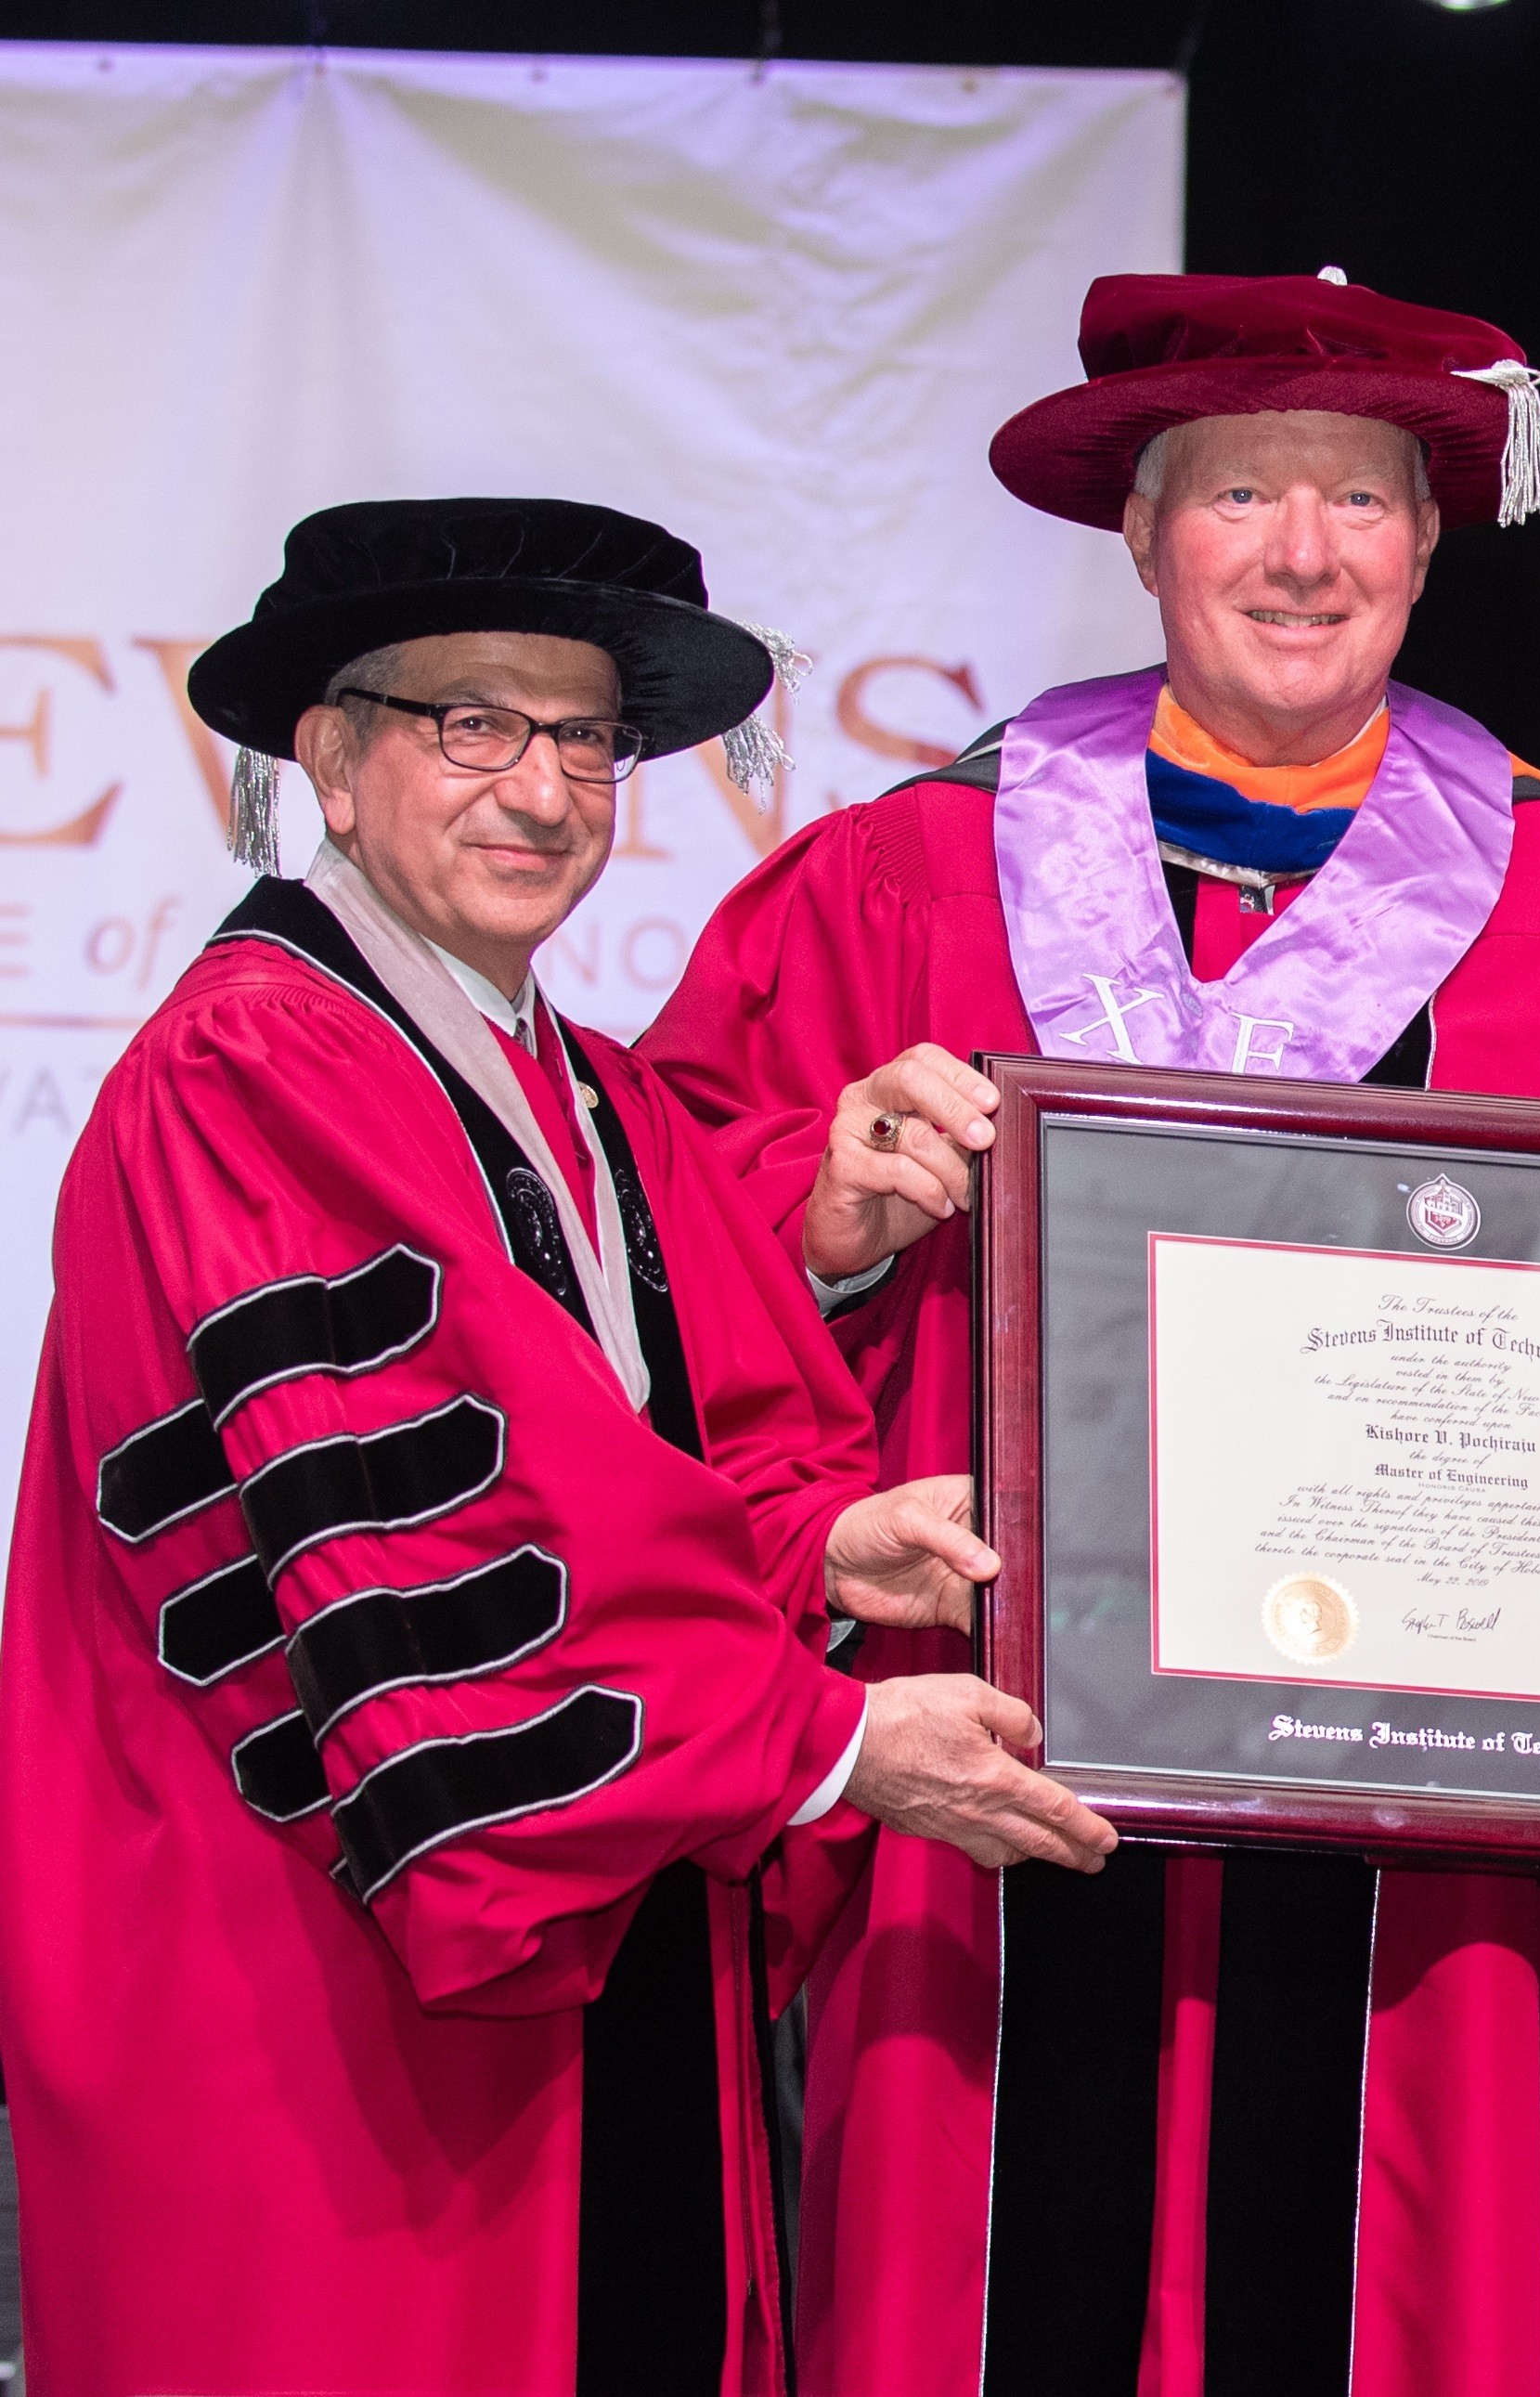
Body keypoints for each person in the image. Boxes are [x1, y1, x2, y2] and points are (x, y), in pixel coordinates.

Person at [639, 268, 1540, 2396]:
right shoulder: (902, 871)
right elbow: (652, 1233)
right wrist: (829, 1212)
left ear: (1428, 542)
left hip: (1426, 1841)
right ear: (1145, 536)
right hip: (993, 1791)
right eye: (1240, 493)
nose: (1301, 551)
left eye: (1358, 499)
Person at [0, 499, 1114, 2397]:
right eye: (473, 725)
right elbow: (417, 1528)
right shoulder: (247, 1067)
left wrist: (825, 1553)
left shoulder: (590, 1092)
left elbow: (677, 1453)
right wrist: (828, 1739)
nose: (542, 789)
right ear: (329, 758)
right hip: (317, 1985)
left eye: (587, 739)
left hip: (590, 1952)